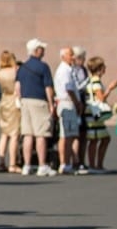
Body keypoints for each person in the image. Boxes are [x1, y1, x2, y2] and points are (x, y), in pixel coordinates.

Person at [16, 38, 56, 176]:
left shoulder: (22, 67)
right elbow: (48, 87)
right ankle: (41, 165)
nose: (44, 51)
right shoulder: (43, 67)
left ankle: (26, 165)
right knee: (41, 134)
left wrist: (20, 101)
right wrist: (51, 104)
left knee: (28, 134)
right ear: (36, 50)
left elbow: (17, 87)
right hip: (39, 101)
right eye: (42, 49)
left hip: (25, 101)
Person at [53, 46, 82, 174]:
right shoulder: (64, 70)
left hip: (68, 103)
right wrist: (77, 102)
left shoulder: (69, 69)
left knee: (69, 135)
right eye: (71, 54)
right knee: (66, 135)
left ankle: (67, 162)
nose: (73, 57)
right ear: (63, 56)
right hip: (67, 103)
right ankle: (64, 163)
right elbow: (68, 88)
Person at [0, 51, 22, 172]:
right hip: (13, 100)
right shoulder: (15, 71)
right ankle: (12, 163)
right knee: (14, 134)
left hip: (4, 100)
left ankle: (1, 161)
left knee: (4, 133)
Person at [84, 56, 111, 172]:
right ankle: (95, 165)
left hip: (91, 112)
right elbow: (101, 98)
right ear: (99, 68)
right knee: (97, 139)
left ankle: (96, 164)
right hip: (94, 114)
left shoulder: (91, 80)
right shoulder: (96, 82)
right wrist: (110, 88)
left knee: (100, 139)